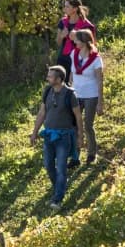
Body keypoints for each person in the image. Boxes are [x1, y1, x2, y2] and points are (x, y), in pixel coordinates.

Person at [30, 65, 83, 208]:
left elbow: (78, 117)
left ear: (59, 79)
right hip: (49, 135)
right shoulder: (48, 91)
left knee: (61, 167)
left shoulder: (70, 95)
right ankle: (59, 187)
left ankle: (57, 199)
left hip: (64, 137)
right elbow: (42, 113)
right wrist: (34, 132)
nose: (47, 78)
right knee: (48, 165)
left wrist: (80, 137)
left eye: (50, 76)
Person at [69, 29, 105, 164]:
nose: (75, 42)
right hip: (76, 95)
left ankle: (91, 153)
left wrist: (100, 102)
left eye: (77, 40)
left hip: (91, 95)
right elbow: (72, 73)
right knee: (74, 125)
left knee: (88, 125)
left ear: (84, 42)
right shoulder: (74, 54)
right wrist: (69, 88)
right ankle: (75, 156)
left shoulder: (96, 59)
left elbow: (100, 81)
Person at [55, 0, 97, 85]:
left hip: (78, 59)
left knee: (74, 85)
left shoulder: (86, 25)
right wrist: (62, 36)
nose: (64, 9)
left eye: (67, 7)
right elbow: (58, 43)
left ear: (75, 9)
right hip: (63, 58)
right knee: (60, 84)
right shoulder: (63, 22)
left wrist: (77, 38)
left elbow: (92, 46)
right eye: (64, 6)